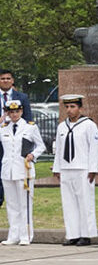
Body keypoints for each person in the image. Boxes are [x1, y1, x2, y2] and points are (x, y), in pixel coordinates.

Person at [53, 94, 98, 246]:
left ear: (80, 108)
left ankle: (86, 235)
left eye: (72, 107)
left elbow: (94, 149)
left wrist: (93, 168)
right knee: (68, 203)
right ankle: (73, 234)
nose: (69, 110)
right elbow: (59, 149)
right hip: (66, 168)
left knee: (85, 202)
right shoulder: (62, 126)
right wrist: (57, 168)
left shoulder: (88, 125)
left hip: (83, 168)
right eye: (67, 107)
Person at [1, 100, 38, 244]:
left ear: (21, 111)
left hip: (24, 171)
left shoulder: (30, 127)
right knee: (11, 204)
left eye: (17, 111)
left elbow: (40, 146)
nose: (14, 114)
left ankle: (26, 235)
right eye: (11, 112)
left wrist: (33, 155)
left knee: (25, 204)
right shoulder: (3, 128)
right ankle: (13, 235)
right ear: (7, 113)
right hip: (7, 171)